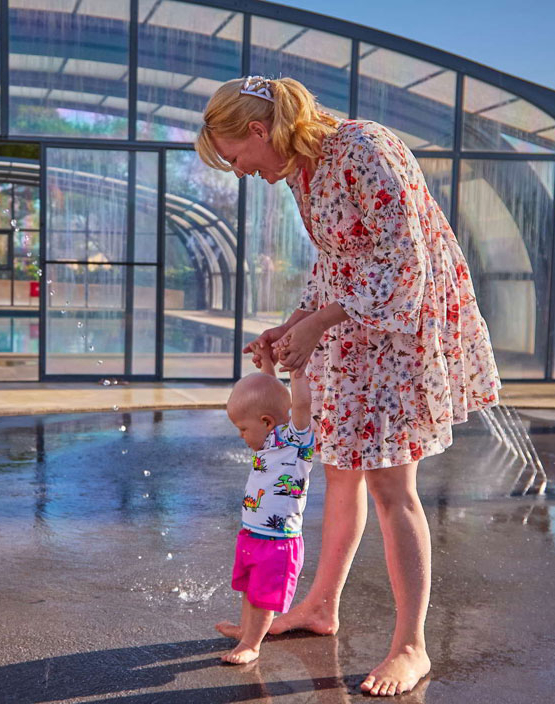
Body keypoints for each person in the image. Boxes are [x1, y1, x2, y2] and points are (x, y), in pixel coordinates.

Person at [195, 76, 500, 696]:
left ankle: (413, 647)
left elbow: (405, 264)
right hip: (358, 331)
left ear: (259, 130)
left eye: (234, 156)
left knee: (393, 485)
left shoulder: (365, 148)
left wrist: (320, 324)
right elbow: (339, 261)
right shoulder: (305, 172)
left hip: (399, 334)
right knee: (340, 468)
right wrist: (293, 324)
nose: (239, 171)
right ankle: (320, 606)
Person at [218, 349, 313, 664]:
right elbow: (275, 397)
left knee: (262, 597)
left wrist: (298, 376)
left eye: (243, 429)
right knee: (248, 589)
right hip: (252, 535)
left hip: (278, 542)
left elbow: (297, 405)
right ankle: (246, 630)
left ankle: (252, 644)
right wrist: (269, 365)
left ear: (266, 422)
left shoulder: (295, 442)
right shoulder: (268, 439)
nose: (241, 436)